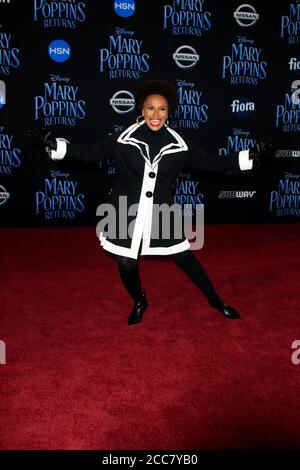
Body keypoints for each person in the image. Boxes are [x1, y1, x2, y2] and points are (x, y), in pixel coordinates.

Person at [34, 80, 270, 326]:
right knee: (125, 261)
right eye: (150, 108)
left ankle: (215, 299)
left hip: (160, 210)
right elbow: (90, 153)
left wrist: (249, 155)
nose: (156, 114)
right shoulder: (122, 138)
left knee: (183, 256)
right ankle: (139, 300)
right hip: (123, 209)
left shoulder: (180, 144)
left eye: (162, 109)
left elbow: (213, 163)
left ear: (169, 113)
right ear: (141, 110)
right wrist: (57, 147)